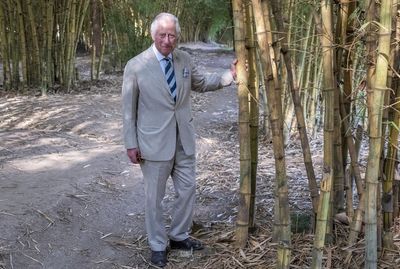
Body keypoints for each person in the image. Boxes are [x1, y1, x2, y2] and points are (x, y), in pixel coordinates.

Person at [122, 12, 236, 267]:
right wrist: (131, 143)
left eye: (171, 35)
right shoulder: (136, 65)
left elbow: (202, 83)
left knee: (187, 190)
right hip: (153, 143)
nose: (167, 40)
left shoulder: (184, 59)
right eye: (162, 34)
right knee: (154, 198)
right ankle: (157, 245)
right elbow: (128, 110)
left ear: (177, 36)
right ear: (153, 35)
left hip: (183, 139)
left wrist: (229, 77)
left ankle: (179, 235)